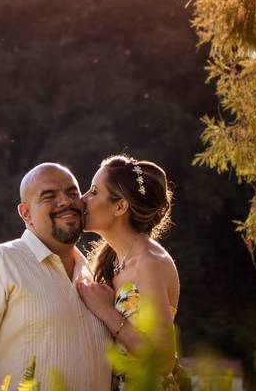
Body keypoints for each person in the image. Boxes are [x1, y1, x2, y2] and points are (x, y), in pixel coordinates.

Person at [0, 162, 112, 391]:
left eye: (72, 192)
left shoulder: (93, 278)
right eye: (49, 196)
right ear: (26, 213)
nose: (65, 201)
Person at [76, 155, 181, 391]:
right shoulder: (111, 259)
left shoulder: (149, 263)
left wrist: (105, 310)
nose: (82, 199)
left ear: (120, 206)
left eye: (93, 192)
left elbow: (163, 361)